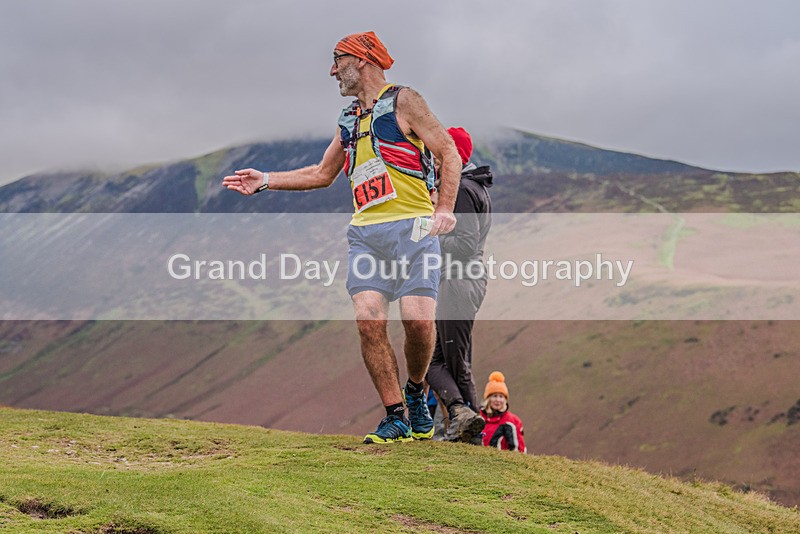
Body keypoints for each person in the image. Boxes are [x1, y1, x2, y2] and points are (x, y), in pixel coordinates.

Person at [222, 32, 461, 444]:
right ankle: (395, 415)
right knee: (368, 321)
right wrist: (266, 179)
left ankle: (416, 390)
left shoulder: (404, 100)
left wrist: (444, 209)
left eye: (338, 60)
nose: (332, 70)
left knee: (419, 322)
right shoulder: (348, 119)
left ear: (362, 59)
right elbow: (322, 173)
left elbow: (449, 152)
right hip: (366, 235)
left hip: (414, 228)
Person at [426, 127, 493, 443]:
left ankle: (470, 429)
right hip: (463, 280)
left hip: (459, 280)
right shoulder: (473, 187)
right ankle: (463, 421)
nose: (433, 159)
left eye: (438, 153)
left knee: (451, 361)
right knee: (439, 360)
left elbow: (464, 243)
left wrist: (429, 234)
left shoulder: (463, 189)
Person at [480, 371, 526, 453]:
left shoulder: (513, 421)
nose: (498, 400)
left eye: (501, 396)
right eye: (494, 396)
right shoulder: (478, 418)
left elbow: (520, 450)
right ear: (488, 399)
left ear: (505, 399)